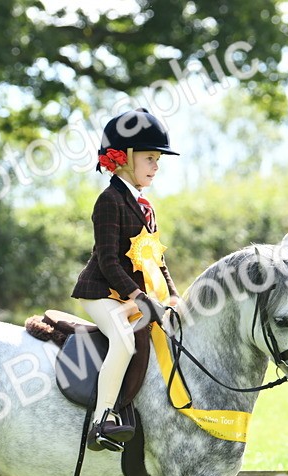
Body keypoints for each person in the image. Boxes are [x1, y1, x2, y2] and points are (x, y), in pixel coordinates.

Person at [71, 108, 181, 451]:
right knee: (124, 342)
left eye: (157, 159)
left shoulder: (145, 206)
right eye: (150, 158)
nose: (156, 165)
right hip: (102, 291)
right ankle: (101, 421)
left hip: (131, 295)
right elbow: (106, 260)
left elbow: (156, 259)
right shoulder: (109, 201)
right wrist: (137, 296)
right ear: (124, 159)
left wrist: (174, 296)